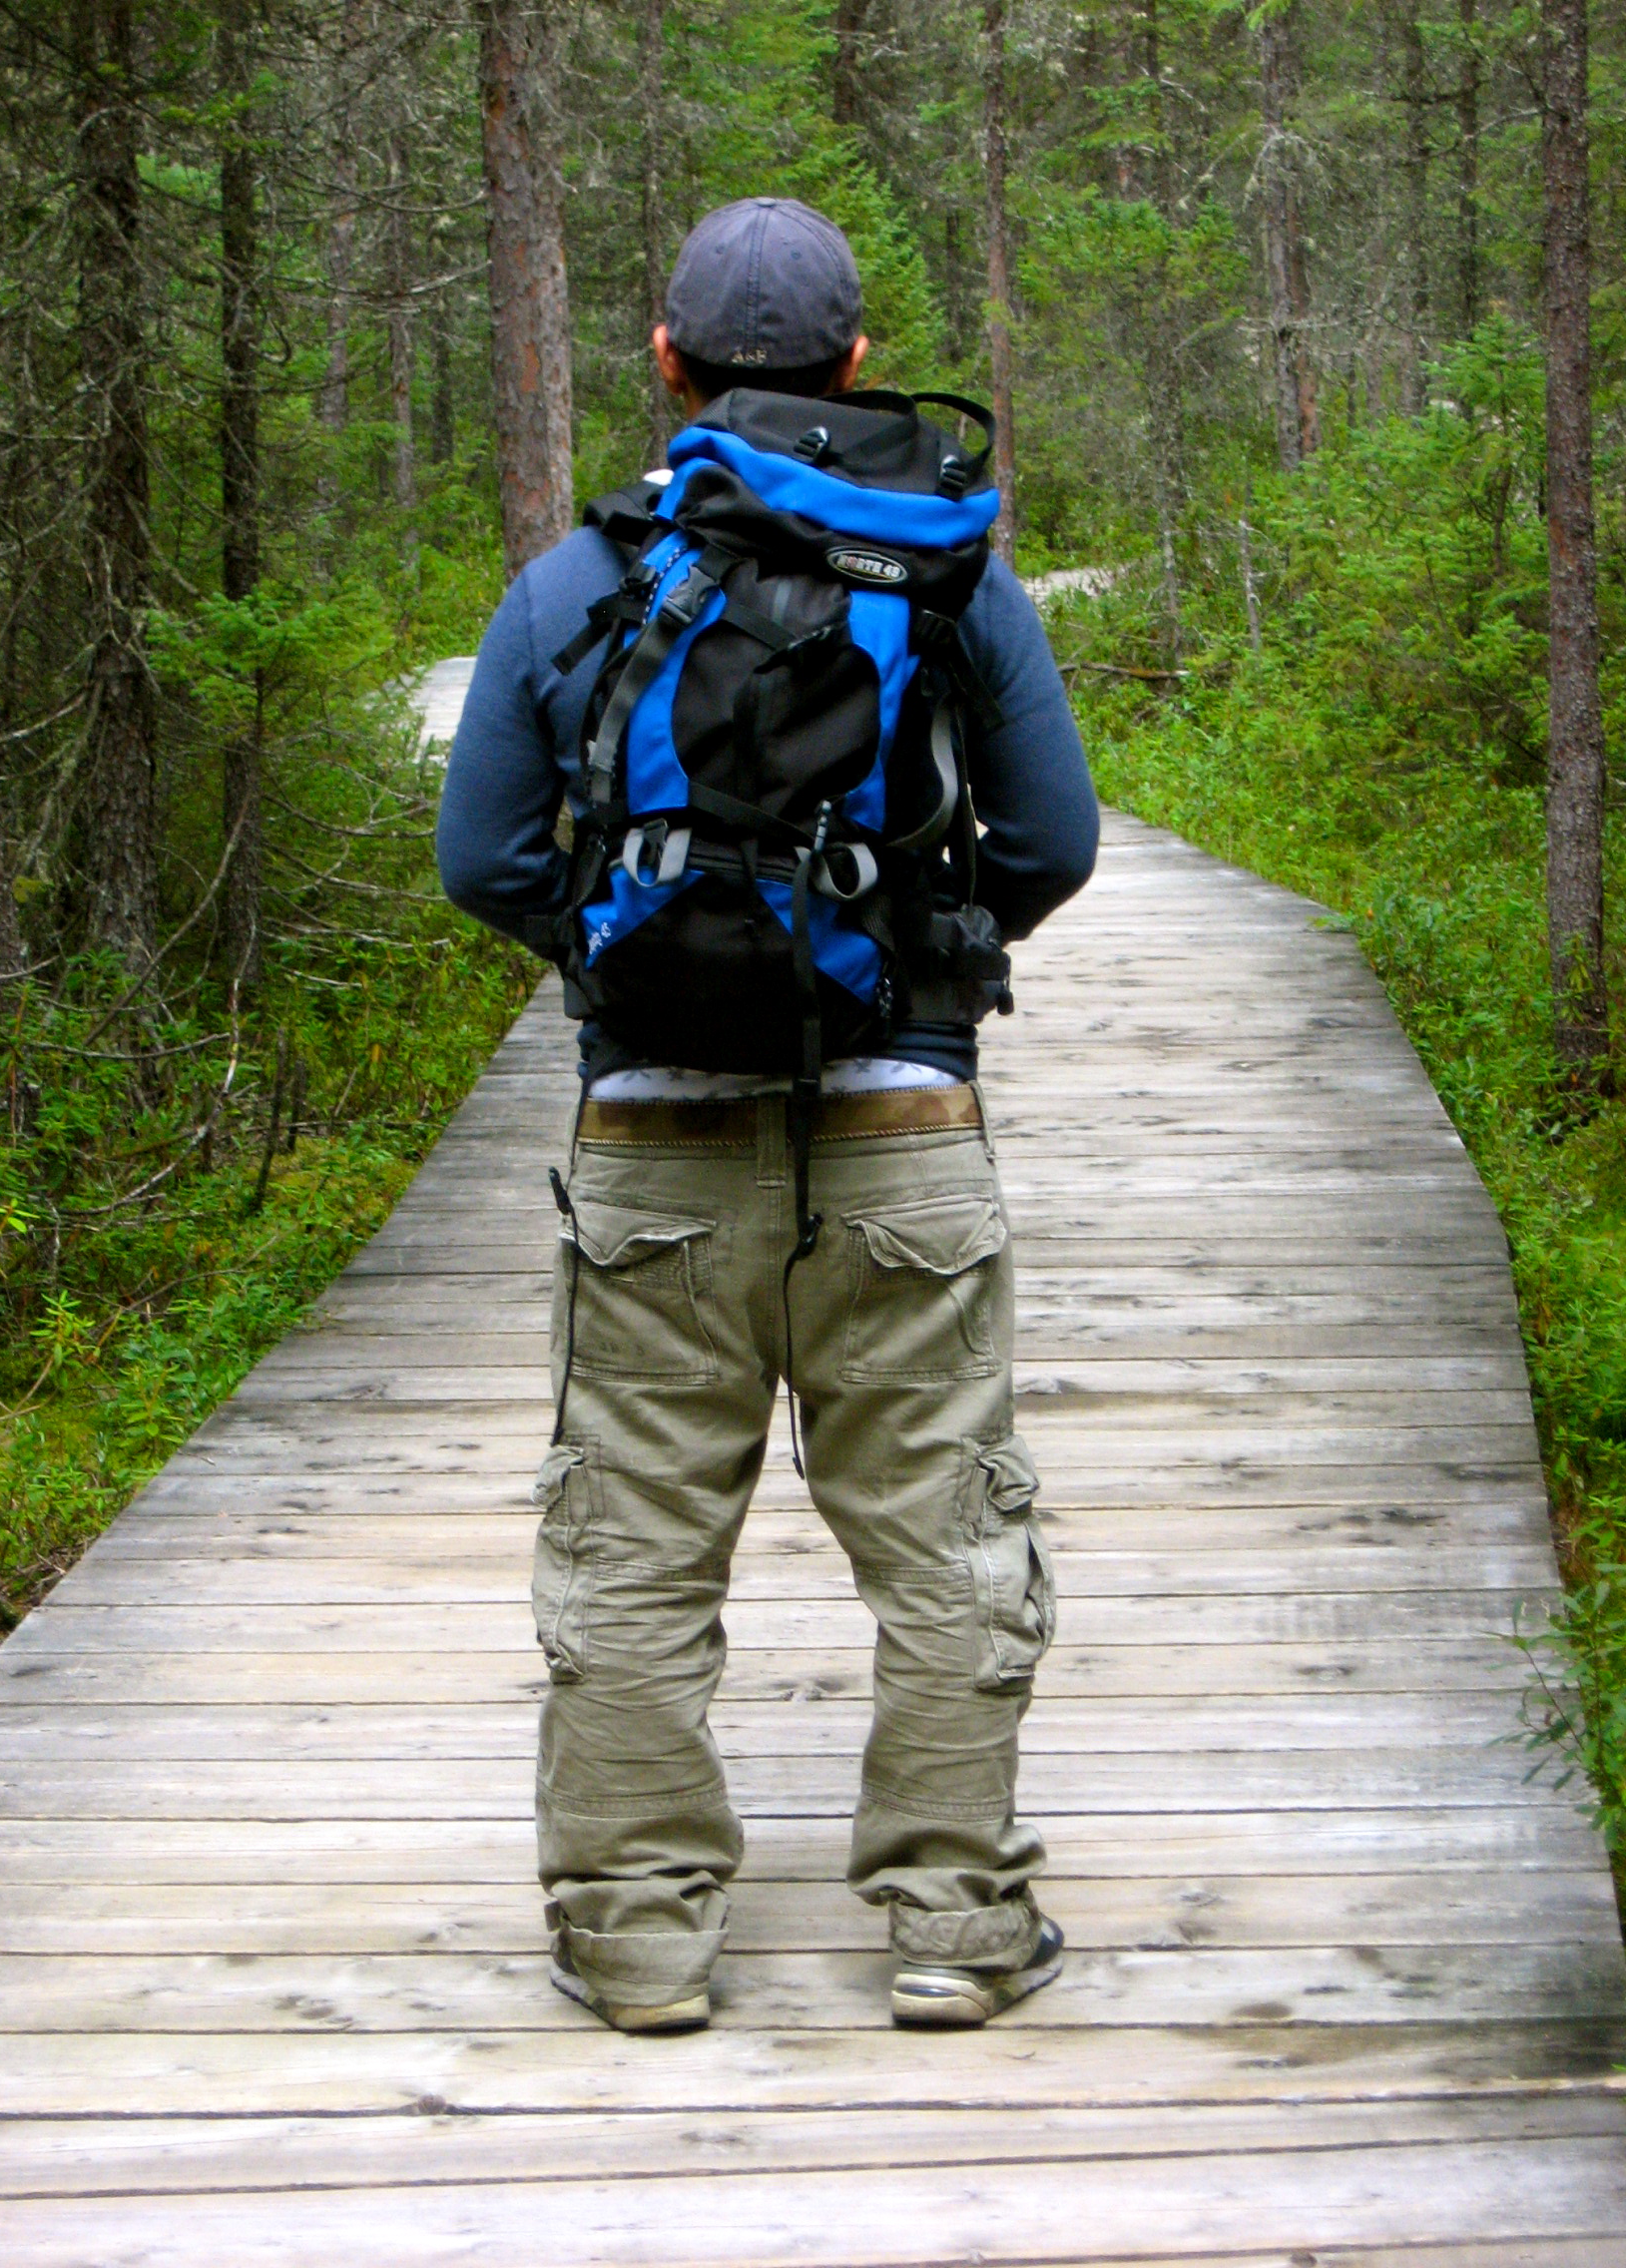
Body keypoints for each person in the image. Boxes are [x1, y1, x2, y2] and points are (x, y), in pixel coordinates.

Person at [437, 197, 1098, 2035]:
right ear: (858, 362)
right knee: (946, 1536)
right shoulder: (951, 574)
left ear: (666, 363)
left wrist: (626, 962)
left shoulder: (580, 578)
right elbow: (1053, 842)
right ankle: (954, 1927)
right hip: (904, 1136)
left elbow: (483, 858)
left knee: (635, 1544)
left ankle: (640, 1942)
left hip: (653, 1141)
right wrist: (918, 962)